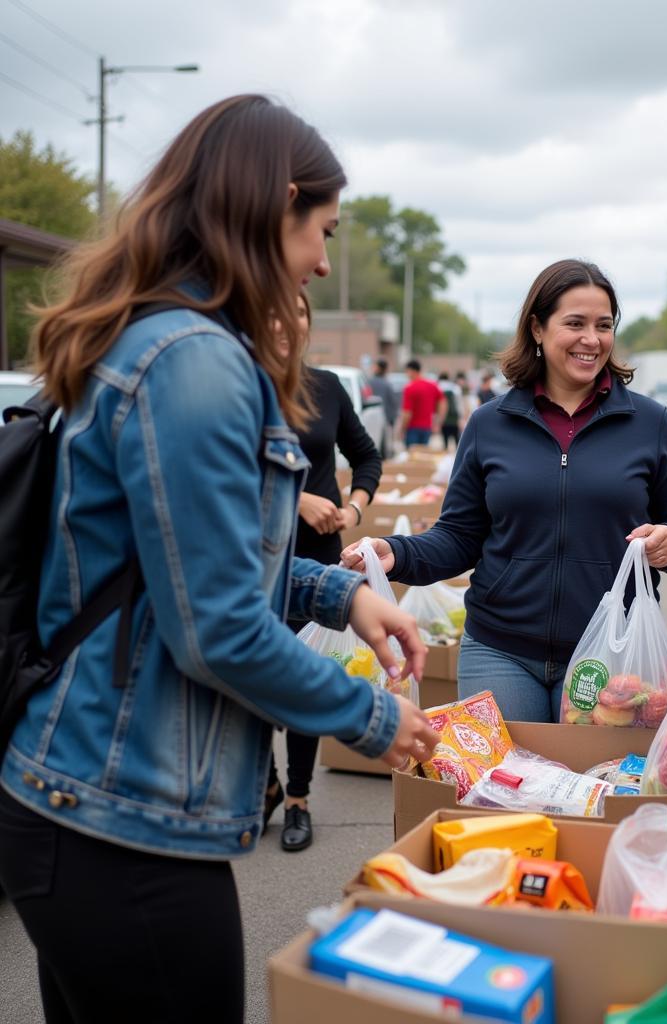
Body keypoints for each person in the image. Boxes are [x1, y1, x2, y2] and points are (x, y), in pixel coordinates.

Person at [0, 94, 437, 1024]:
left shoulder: (163, 338)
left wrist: (332, 592)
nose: (323, 259)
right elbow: (218, 629)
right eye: (320, 230)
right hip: (117, 818)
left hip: (88, 804)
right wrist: (373, 716)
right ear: (271, 205)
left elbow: (180, 576)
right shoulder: (193, 361)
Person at [344, 259, 667, 722]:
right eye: (575, 323)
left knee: (595, 791)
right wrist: (396, 553)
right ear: (538, 328)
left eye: (604, 325)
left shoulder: (650, 423)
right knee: (504, 793)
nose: (592, 339)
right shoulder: (489, 423)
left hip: (608, 654)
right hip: (498, 650)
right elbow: (461, 536)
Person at [263, 292, 383, 853]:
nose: (287, 324)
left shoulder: (327, 387)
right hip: (255, 555)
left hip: (318, 556)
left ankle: (298, 799)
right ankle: (264, 782)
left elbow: (367, 456)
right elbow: (221, 479)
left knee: (306, 674)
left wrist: (353, 508)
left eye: (299, 313)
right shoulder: (242, 387)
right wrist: (294, 501)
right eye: (274, 312)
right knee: (253, 676)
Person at [400, 358, 446, 448]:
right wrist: (438, 422)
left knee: (412, 457)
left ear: (411, 371)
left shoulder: (409, 388)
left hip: (412, 428)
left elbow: (407, 413)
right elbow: (443, 403)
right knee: (423, 455)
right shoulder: (433, 385)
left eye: (407, 372)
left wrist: (402, 429)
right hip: (427, 428)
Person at [369, 356, 398, 455]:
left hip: (371, 419)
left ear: (378, 368)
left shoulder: (369, 382)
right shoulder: (387, 384)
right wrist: (392, 419)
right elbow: (393, 402)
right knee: (382, 448)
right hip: (384, 419)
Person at [437, 371, 463, 449]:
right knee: (457, 441)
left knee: (445, 442)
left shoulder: (438, 387)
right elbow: (459, 404)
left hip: (443, 419)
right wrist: (460, 418)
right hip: (454, 418)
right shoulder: (455, 387)